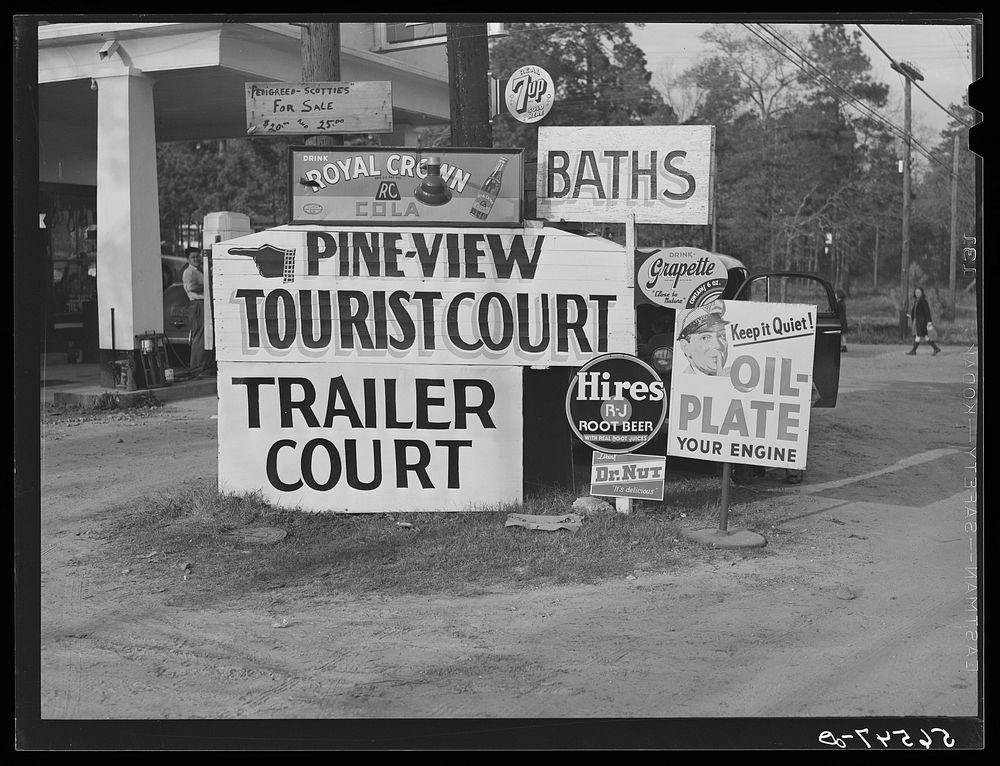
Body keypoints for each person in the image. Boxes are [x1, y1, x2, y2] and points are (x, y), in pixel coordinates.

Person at [677, 300, 730, 376]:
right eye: (705, 338)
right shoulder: (682, 381)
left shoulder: (733, 377)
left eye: (721, 336)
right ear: (685, 347)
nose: (717, 345)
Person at [182, 246, 207, 373]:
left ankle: (201, 366)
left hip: (203, 303)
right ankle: (195, 367)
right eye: (193, 257)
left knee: (204, 336)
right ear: (188, 259)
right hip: (197, 304)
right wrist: (207, 285)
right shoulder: (189, 272)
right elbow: (191, 287)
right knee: (199, 336)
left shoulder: (200, 270)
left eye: (198, 256)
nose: (196, 259)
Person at [906, 287, 941, 355]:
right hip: (917, 321)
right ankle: (936, 348)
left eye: (918, 292)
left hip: (922, 322)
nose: (917, 293)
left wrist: (929, 322)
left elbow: (927, 312)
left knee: (918, 335)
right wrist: (911, 316)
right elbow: (915, 311)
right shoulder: (916, 301)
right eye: (916, 292)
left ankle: (914, 351)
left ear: (922, 293)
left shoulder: (924, 301)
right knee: (925, 336)